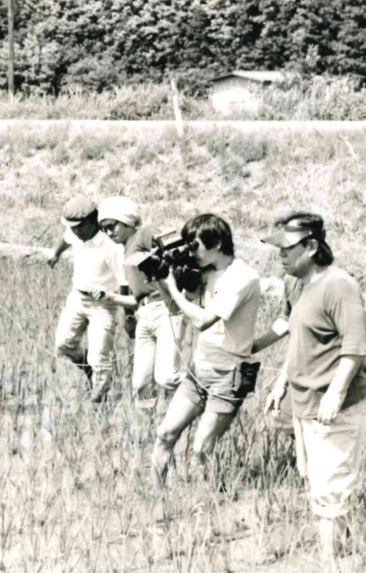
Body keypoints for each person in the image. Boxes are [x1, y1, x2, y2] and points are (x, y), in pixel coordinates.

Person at [261, 212, 366, 571]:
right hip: (304, 400)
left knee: (329, 485)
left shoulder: (339, 286)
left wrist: (335, 394)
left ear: (310, 246)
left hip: (333, 405)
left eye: (286, 248)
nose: (280, 255)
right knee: (313, 476)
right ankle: (350, 548)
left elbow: (355, 347)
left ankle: (329, 568)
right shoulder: (295, 283)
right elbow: (293, 331)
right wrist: (279, 380)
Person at [148, 213, 261, 485]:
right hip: (200, 370)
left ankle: (216, 499)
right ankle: (155, 496)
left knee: (202, 448)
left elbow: (203, 321)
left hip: (228, 375)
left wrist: (172, 287)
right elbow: (174, 307)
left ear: (218, 243)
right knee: (164, 435)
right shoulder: (205, 272)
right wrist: (162, 279)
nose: (191, 253)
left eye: (195, 246)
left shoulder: (241, 277)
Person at [90, 196, 184, 407]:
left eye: (112, 226)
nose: (109, 232)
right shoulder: (126, 251)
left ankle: (210, 386)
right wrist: (110, 296)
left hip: (166, 310)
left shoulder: (144, 234)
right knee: (140, 384)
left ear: (127, 220)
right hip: (145, 313)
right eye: (104, 229)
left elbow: (172, 249)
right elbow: (137, 299)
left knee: (167, 377)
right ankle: (147, 424)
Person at [47, 194, 126, 403]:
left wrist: (129, 315)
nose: (75, 232)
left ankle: (98, 402)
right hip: (77, 298)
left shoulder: (112, 246)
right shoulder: (75, 232)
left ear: (93, 221)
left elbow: (124, 283)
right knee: (64, 344)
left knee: (99, 358)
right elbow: (66, 238)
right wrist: (56, 254)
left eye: (79, 227)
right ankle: (89, 370)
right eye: (72, 227)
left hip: (103, 305)